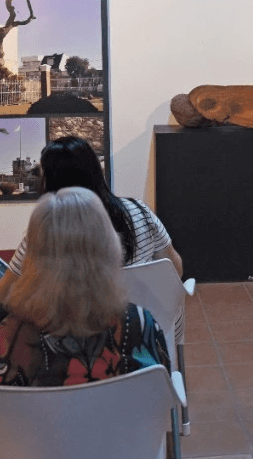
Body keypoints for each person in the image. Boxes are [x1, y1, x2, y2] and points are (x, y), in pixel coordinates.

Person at [0, 186, 170, 459]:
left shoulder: (8, 339)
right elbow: (155, 413)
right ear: (106, 247)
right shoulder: (139, 325)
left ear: (35, 255)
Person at [2, 137, 183, 337]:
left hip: (82, 344)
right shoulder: (141, 212)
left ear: (50, 182)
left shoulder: (45, 230)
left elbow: (6, 295)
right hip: (149, 333)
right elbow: (175, 269)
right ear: (96, 171)